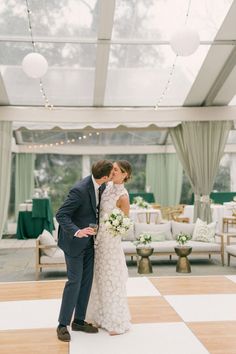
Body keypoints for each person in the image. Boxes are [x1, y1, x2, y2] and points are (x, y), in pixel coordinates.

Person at [56, 159, 114, 342]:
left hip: (90, 243)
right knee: (74, 282)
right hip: (74, 243)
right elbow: (61, 214)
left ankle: (79, 320)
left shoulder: (101, 187)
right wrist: (77, 231)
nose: (112, 177)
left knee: (86, 282)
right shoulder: (79, 190)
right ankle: (62, 325)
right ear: (104, 177)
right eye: (111, 175)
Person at [86, 160, 132, 335]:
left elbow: (125, 223)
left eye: (115, 170)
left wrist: (112, 227)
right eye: (112, 168)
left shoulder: (123, 197)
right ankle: (99, 317)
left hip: (111, 244)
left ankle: (116, 321)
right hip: (98, 241)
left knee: (111, 280)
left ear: (125, 174)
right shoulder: (106, 188)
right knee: (99, 279)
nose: (112, 171)